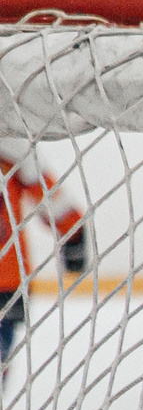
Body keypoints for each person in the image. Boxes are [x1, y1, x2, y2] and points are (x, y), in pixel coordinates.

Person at [0, 142, 88, 371]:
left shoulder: (9, 145)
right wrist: (74, 234)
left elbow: (43, 189)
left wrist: (73, 233)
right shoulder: (9, 142)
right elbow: (45, 191)